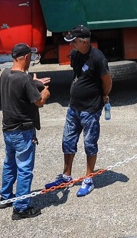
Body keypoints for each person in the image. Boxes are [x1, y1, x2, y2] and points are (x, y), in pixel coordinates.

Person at [46, 24, 111, 197]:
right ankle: (66, 175)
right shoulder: (75, 54)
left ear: (84, 41)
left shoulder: (97, 58)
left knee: (89, 144)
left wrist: (104, 95)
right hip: (73, 107)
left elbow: (107, 80)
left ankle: (88, 179)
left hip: (90, 109)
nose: (71, 45)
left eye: (73, 41)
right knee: (67, 141)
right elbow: (77, 76)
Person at [0, 42, 50, 220]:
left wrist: (34, 82)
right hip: (23, 131)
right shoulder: (24, 79)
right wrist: (44, 91)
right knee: (25, 168)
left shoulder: (5, 74)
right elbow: (39, 101)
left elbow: (20, 87)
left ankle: (5, 197)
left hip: (8, 130)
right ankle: (21, 207)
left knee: (10, 163)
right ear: (26, 57)